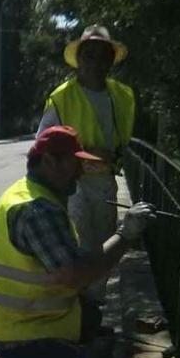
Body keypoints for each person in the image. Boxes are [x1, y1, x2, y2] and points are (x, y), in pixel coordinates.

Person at [0, 126, 155, 358]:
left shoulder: (32, 192)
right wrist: (125, 235)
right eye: (75, 164)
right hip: (18, 330)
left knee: (92, 321)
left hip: (24, 318)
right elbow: (76, 275)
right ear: (50, 161)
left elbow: (71, 268)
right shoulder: (37, 209)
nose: (80, 172)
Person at [37, 25, 135, 320]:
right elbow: (43, 144)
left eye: (102, 55)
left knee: (105, 248)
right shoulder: (61, 97)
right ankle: (75, 315)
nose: (95, 62)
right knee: (78, 249)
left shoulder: (122, 96)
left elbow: (124, 140)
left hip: (105, 182)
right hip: (73, 185)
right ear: (79, 60)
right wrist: (79, 155)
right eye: (89, 55)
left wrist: (113, 156)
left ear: (110, 59)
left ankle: (93, 313)